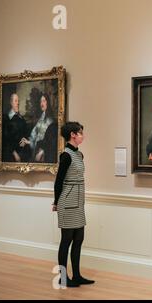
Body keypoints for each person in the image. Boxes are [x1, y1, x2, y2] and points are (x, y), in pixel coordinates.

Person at [52, 121, 94, 287]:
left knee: (79, 239)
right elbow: (58, 182)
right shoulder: (66, 155)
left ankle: (76, 275)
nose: (83, 135)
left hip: (78, 201)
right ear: (73, 135)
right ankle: (63, 277)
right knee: (66, 240)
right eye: (81, 133)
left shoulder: (79, 155)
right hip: (67, 201)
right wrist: (56, 202)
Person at [19, 93, 57, 163]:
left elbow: (50, 141)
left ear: (48, 102)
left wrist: (42, 151)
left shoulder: (51, 120)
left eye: (44, 101)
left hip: (44, 152)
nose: (42, 103)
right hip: (37, 150)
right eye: (41, 101)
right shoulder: (41, 118)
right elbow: (35, 135)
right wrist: (28, 141)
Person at [1, 93, 30, 162]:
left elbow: (26, 133)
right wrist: (14, 153)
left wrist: (25, 140)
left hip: (22, 152)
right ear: (11, 103)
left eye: (18, 101)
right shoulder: (6, 118)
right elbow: (5, 139)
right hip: (11, 154)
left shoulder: (21, 118)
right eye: (16, 101)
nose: (18, 103)